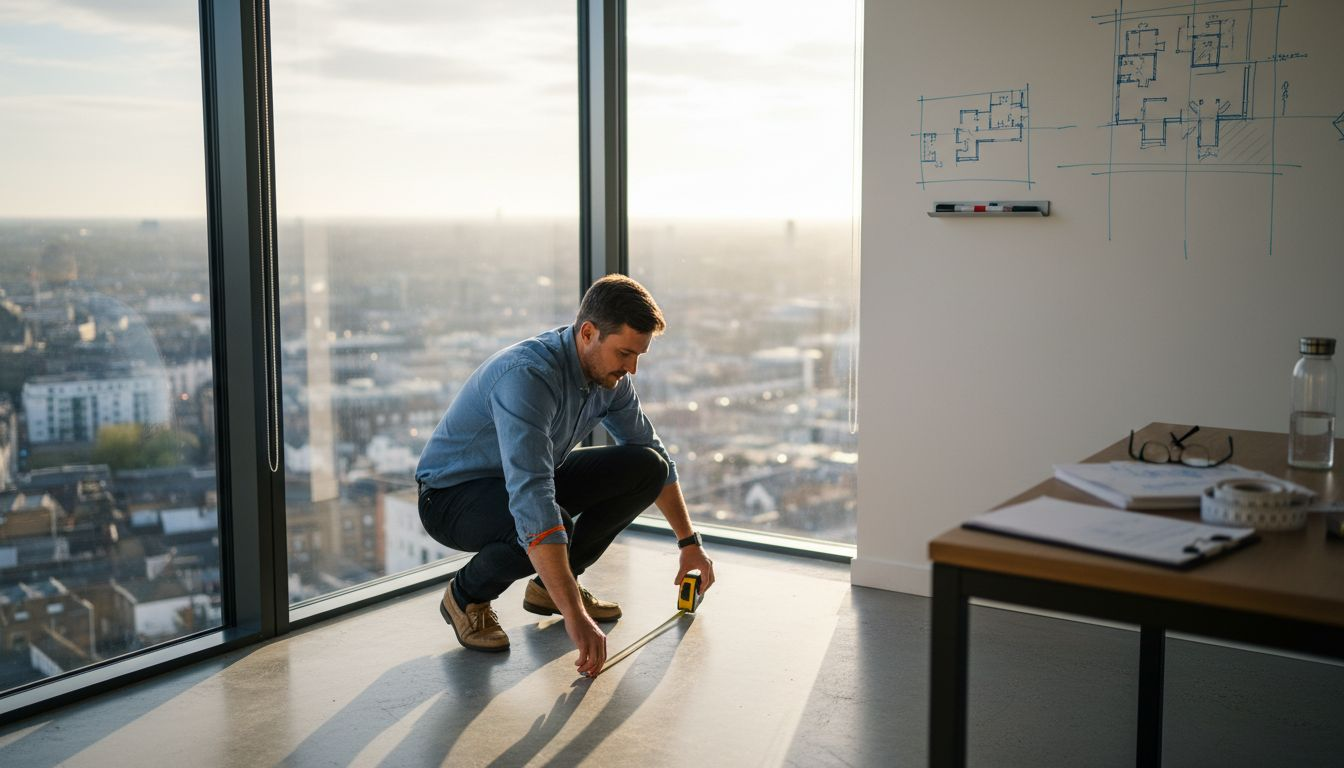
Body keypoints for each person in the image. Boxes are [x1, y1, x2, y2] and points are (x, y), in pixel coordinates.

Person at [415, 274, 716, 677]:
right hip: (450, 496)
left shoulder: (610, 377)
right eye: (625, 353)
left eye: (638, 356)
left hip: (525, 480)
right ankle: (466, 596)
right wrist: (575, 616)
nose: (633, 369)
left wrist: (688, 543)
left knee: (647, 466)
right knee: (549, 522)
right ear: (588, 333)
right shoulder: (527, 377)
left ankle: (551, 587)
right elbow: (532, 497)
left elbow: (654, 451)